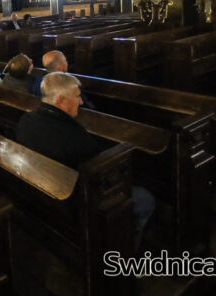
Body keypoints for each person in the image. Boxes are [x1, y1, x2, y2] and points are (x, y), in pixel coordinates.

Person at [16, 72, 154, 249]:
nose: (81, 101)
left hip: (41, 192)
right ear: (60, 100)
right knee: (145, 199)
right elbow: (99, 172)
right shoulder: (72, 135)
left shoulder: (26, 119)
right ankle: (125, 255)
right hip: (74, 204)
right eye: (76, 96)